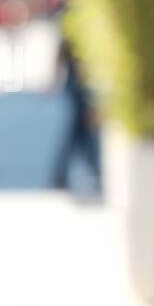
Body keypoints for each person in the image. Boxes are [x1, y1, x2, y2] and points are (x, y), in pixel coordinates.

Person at [52, 33, 102, 191]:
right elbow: (62, 51)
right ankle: (95, 172)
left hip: (80, 85)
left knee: (80, 134)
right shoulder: (75, 17)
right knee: (82, 134)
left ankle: (62, 174)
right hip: (78, 86)